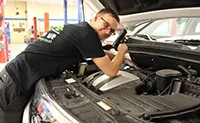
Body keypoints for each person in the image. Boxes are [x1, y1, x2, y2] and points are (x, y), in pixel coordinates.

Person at [0, 8, 135, 123]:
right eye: (106, 24)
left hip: (15, 73)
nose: (107, 31)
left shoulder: (80, 29)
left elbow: (99, 53)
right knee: (8, 118)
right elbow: (111, 71)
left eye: (111, 30)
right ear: (96, 18)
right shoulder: (88, 35)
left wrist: (119, 57)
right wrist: (123, 50)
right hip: (17, 81)